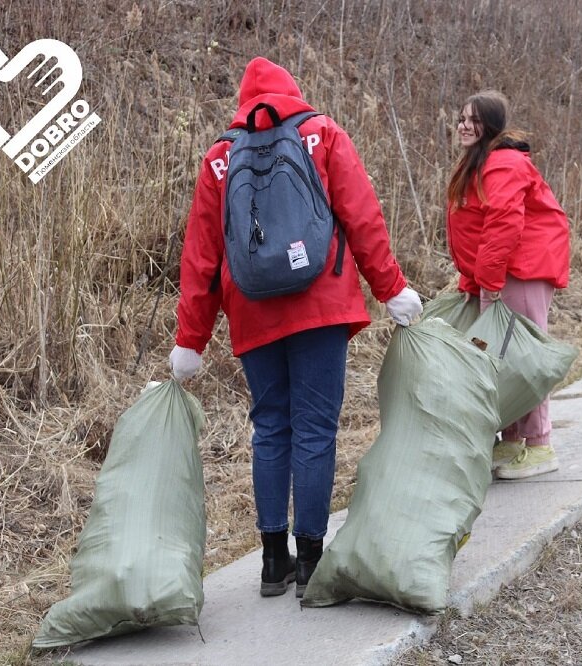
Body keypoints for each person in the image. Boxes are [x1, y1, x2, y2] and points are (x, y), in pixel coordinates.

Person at [169, 57, 422, 598]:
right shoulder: (321, 134)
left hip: (252, 311)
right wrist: (391, 288)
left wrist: (189, 341)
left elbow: (201, 260)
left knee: (272, 428)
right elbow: (362, 217)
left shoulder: (220, 158)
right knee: (314, 430)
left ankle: (270, 562)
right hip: (320, 306)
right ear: (292, 92)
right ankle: (310, 559)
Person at [446, 90, 570, 480]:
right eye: (463, 118)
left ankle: (539, 445)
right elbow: (476, 229)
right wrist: (472, 278)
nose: (465, 125)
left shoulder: (504, 163)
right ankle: (513, 439)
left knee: (521, 358)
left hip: (521, 270)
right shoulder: (481, 161)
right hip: (502, 273)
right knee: (500, 357)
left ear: (492, 126)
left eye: (474, 120)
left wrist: (489, 279)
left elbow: (503, 224)